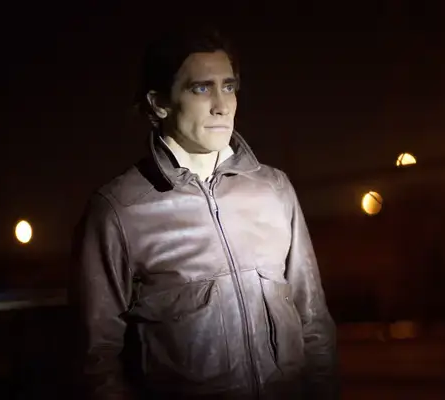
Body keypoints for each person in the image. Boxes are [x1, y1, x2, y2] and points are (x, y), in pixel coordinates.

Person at [72, 27, 337, 399]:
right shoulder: (119, 210)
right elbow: (96, 359)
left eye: (228, 87)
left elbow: (314, 322)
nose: (221, 105)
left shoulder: (273, 189)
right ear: (159, 103)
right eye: (200, 88)